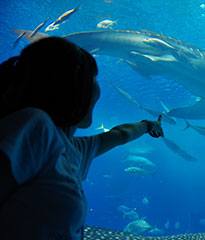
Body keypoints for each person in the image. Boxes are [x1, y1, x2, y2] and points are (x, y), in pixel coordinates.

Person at [0, 37, 164, 240]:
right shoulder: (35, 127)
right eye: (93, 80)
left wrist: (148, 126)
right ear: (70, 88)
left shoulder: (70, 148)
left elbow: (119, 135)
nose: (98, 91)